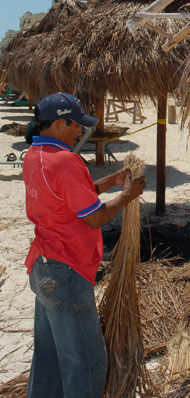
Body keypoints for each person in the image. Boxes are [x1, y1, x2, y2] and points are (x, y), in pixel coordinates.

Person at [22, 92, 146, 398]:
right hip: (66, 272)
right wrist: (126, 197)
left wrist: (110, 181)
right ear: (60, 123)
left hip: (43, 267)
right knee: (87, 363)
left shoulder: (34, 157)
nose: (81, 131)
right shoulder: (65, 161)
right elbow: (95, 217)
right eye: (77, 125)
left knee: (49, 360)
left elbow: (69, 196)